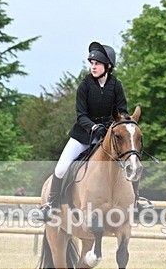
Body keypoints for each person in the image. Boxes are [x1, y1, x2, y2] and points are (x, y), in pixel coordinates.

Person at [36, 41, 150, 220]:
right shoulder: (85, 85)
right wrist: (94, 127)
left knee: (131, 160)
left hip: (109, 137)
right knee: (60, 168)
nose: (93, 66)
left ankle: (136, 200)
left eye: (97, 63)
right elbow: (81, 115)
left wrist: (122, 125)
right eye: (92, 63)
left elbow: (122, 112)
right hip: (83, 136)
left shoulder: (116, 85)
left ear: (108, 66)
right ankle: (51, 204)